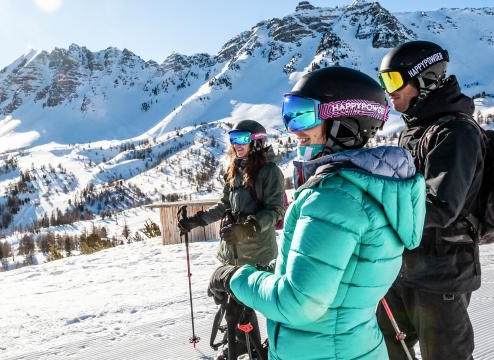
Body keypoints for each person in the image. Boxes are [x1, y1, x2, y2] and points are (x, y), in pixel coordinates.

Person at [207, 66, 426, 360]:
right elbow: (333, 278)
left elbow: (298, 303)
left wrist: (235, 277)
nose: (293, 128)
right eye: (289, 113)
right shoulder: (372, 187)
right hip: (349, 346)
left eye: (302, 114)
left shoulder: (334, 198)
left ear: (344, 121)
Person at [375, 40, 485, 360]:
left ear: (425, 80)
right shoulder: (414, 130)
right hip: (405, 269)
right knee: (382, 347)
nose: (388, 91)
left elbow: (440, 206)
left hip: (443, 273)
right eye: (384, 82)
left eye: (394, 81)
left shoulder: (456, 133)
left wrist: (378, 209)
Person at [177, 119, 285, 359]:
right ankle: (242, 342)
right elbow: (225, 205)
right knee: (225, 297)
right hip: (232, 249)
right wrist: (198, 221)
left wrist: (248, 227)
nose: (237, 145)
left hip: (256, 251)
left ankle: (251, 349)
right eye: (233, 139)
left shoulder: (270, 172)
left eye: (242, 139)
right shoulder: (235, 168)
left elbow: (276, 209)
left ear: (256, 142)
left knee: (241, 303)